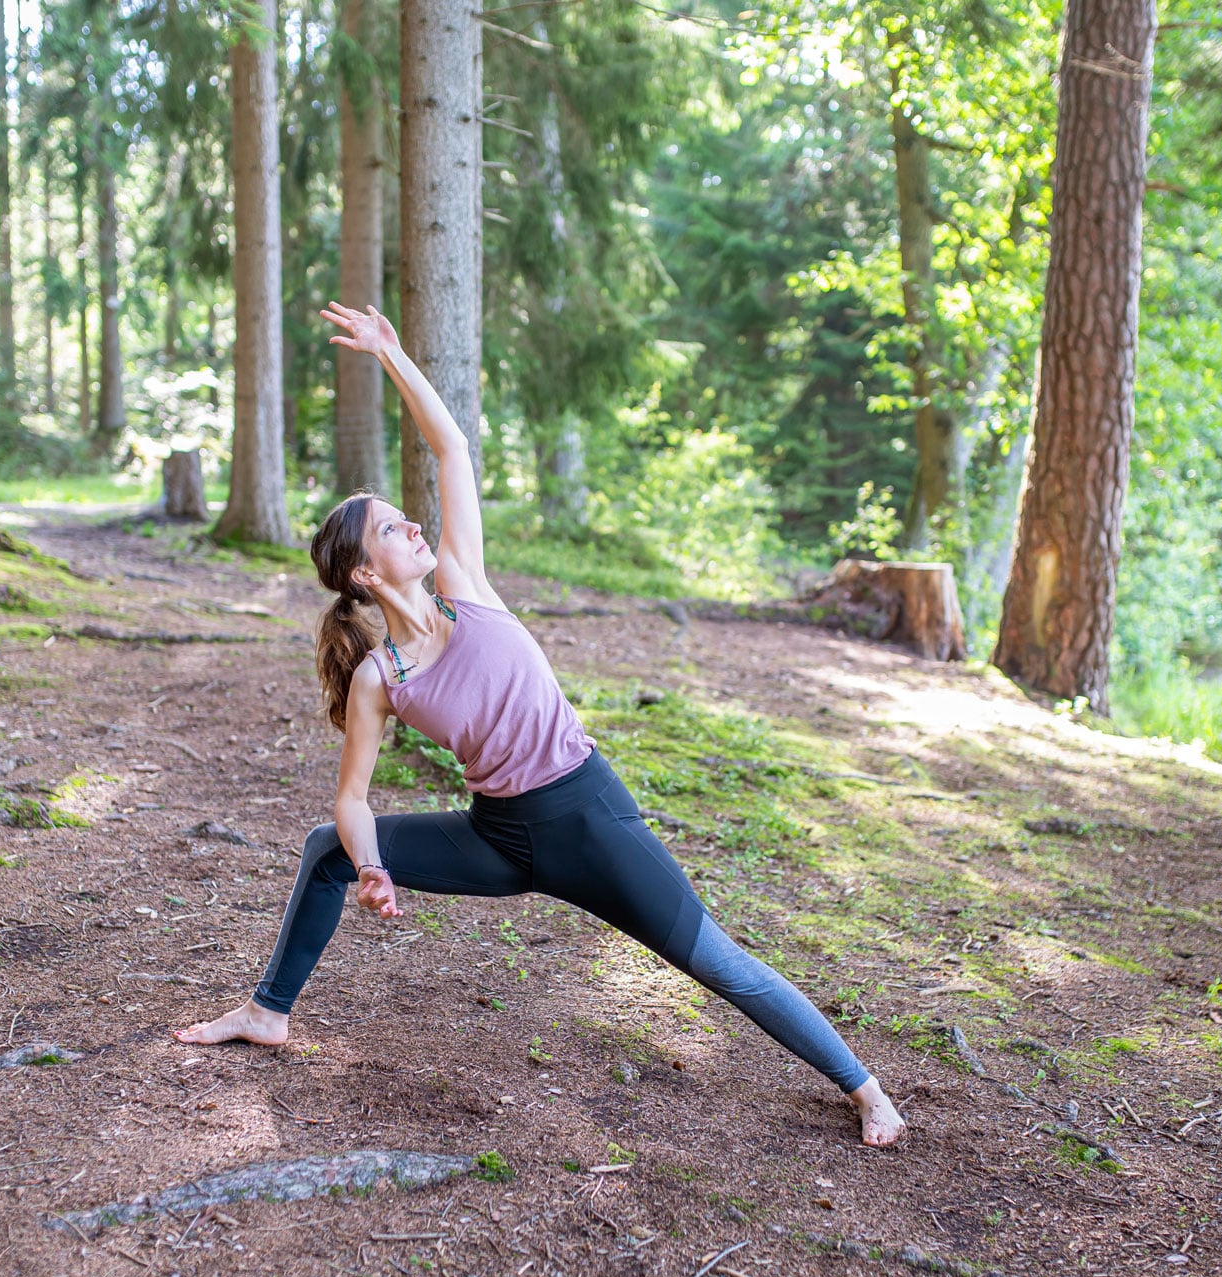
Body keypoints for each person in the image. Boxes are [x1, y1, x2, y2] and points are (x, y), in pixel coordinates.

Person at [175, 301, 906, 1147]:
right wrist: (371, 864)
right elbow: (352, 798)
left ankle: (864, 1086)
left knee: (716, 961)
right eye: (390, 527)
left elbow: (450, 448)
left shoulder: (464, 581)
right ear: (366, 574)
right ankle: (267, 1013)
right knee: (326, 849)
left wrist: (393, 355)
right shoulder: (382, 677)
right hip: (500, 839)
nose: (414, 523)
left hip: (588, 820)